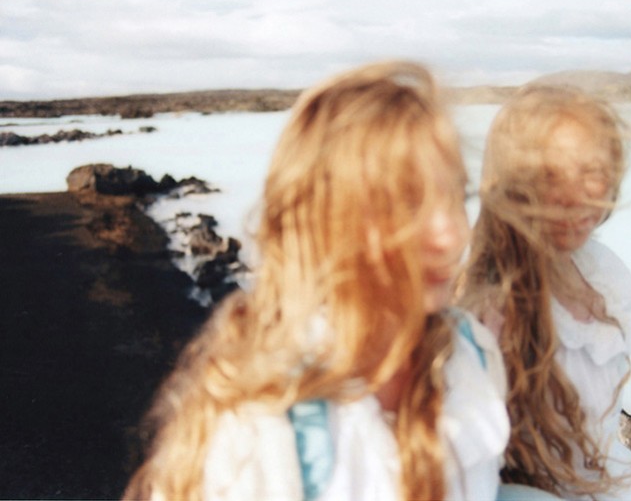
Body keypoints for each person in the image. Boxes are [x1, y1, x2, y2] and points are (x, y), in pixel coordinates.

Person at [123, 61, 509, 501]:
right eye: (407, 203)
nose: (453, 234)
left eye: (457, 196)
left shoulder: (472, 357)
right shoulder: (265, 427)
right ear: (323, 220)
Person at [458, 85, 631, 500]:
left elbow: (600, 425)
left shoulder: (602, 273)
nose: (578, 194)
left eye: (594, 170)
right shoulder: (486, 312)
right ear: (510, 182)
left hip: (607, 475)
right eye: (551, 174)